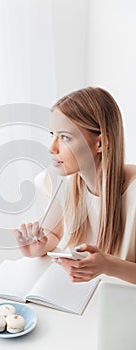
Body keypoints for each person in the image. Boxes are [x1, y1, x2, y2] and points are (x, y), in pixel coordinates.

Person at [14, 87, 136, 284]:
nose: (52, 148)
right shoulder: (67, 181)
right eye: (52, 134)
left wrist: (108, 266)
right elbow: (53, 233)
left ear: (101, 143)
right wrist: (38, 247)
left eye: (64, 137)